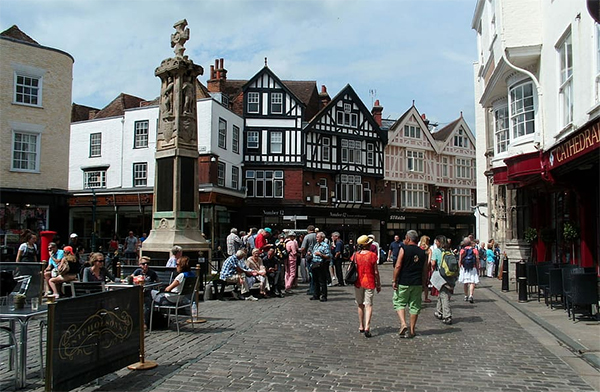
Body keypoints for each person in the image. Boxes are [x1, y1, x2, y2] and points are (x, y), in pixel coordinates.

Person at [392, 230, 428, 339]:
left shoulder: (404, 249)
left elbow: (398, 265)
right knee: (415, 306)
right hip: (417, 282)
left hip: (404, 281)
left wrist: (394, 280)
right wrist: (424, 282)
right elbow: (425, 269)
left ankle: (403, 323)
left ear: (408, 238)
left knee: (399, 302)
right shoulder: (423, 252)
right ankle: (412, 330)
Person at [352, 235, 381, 338]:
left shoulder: (355, 255)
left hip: (358, 282)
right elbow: (376, 272)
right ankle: (367, 326)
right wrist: (378, 283)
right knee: (368, 305)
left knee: (360, 304)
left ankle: (361, 325)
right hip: (369, 281)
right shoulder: (372, 255)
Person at [432, 235, 455, 324]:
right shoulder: (449, 251)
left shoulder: (436, 251)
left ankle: (447, 316)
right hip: (450, 275)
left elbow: (433, 263)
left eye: (436, 241)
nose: (435, 243)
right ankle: (439, 311)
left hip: (441, 275)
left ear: (439, 242)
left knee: (444, 295)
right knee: (442, 293)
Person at [310, 231, 331, 302]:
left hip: (321, 264)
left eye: (318, 237)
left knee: (322, 281)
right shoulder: (316, 245)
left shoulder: (325, 245)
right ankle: (316, 295)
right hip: (314, 264)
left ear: (322, 238)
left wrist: (321, 254)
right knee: (315, 281)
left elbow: (328, 256)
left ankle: (324, 296)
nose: (316, 238)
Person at [458, 237, 480, 303]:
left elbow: (460, 260)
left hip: (464, 268)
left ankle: (465, 295)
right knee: (472, 282)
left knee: (465, 282)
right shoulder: (474, 250)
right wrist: (477, 267)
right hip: (472, 267)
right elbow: (477, 259)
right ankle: (471, 295)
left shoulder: (462, 250)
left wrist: (459, 267)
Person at [300, 225, 317, 290]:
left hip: (309, 255)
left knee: (310, 272)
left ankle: (312, 288)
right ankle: (316, 287)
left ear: (308, 230)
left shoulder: (307, 237)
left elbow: (303, 247)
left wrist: (303, 253)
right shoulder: (317, 236)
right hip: (317, 255)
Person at [418, 235, 433, 303]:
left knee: (419, 283)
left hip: (419, 267)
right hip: (426, 268)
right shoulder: (429, 249)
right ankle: (426, 297)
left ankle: (418, 297)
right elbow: (429, 260)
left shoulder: (418, 248)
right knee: (425, 283)